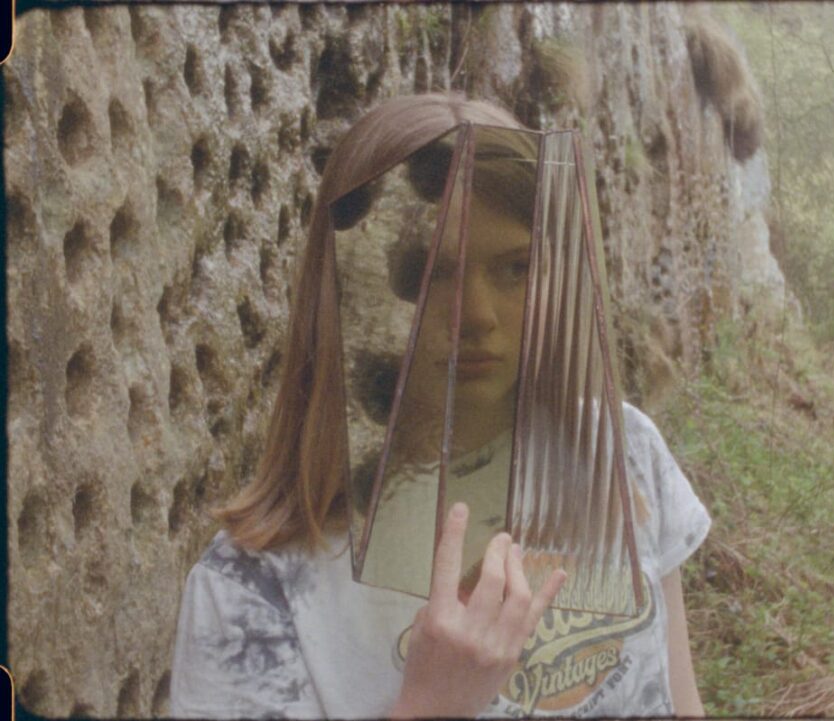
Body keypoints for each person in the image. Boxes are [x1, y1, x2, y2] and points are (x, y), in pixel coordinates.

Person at [170, 93, 711, 719]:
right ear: (350, 288)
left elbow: (682, 702)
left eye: (515, 268)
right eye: (434, 274)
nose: (476, 316)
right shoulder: (252, 591)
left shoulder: (624, 452)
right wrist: (431, 705)